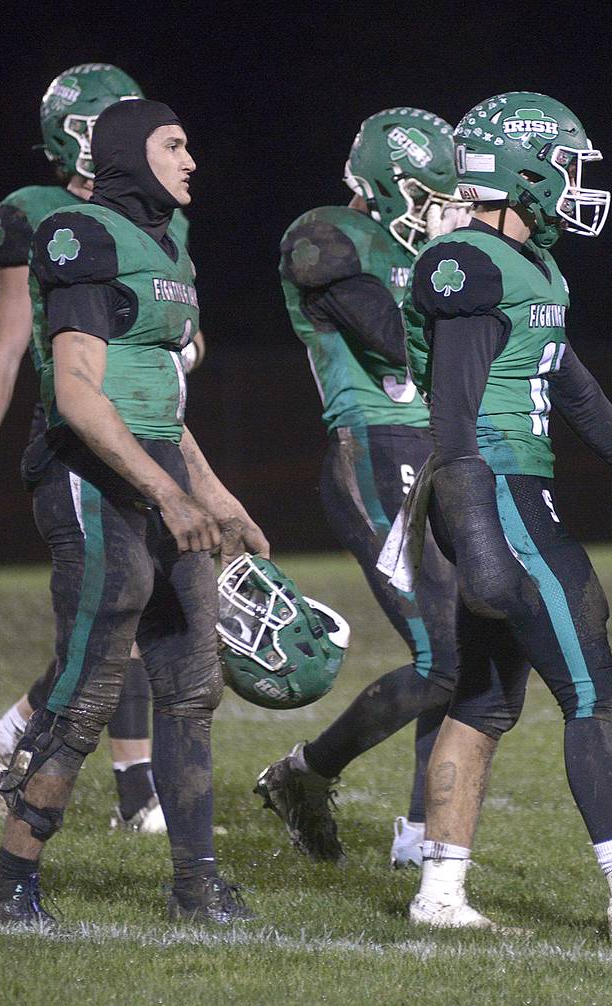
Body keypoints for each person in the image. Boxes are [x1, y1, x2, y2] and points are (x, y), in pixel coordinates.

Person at [401, 91, 612, 937]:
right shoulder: (468, 263)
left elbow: (575, 390)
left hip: (508, 491)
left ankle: (439, 896)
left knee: (484, 705)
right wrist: (478, 536)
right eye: (567, 162)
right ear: (522, 170)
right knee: (595, 690)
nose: (578, 181)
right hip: (492, 487)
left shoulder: (537, 266)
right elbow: (453, 419)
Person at [0, 98, 266, 929]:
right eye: (176, 144)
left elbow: (160, 402)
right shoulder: (80, 232)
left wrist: (212, 492)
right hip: (88, 473)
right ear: (132, 155)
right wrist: (167, 493)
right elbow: (75, 393)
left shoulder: (169, 247)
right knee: (94, 687)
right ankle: (7, 884)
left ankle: (196, 887)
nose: (192, 161)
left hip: (155, 466)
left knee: (190, 679)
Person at [0, 64, 202, 833]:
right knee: (112, 620)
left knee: (131, 627)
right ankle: (102, 800)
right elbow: (9, 350)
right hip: (81, 434)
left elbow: (184, 337)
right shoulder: (44, 218)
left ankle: (11, 739)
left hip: (151, 425)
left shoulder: (167, 222)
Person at [254, 107, 473, 868]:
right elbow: (389, 333)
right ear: (382, 183)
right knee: (440, 656)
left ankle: (417, 840)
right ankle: (305, 774)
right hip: (376, 451)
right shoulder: (326, 234)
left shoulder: (424, 249)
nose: (443, 211)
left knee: (461, 653)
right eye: (427, 194)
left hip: (437, 451)